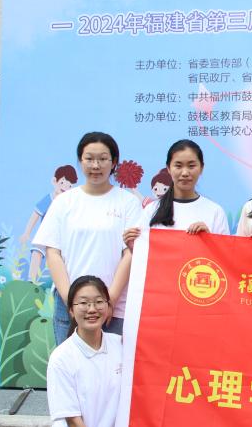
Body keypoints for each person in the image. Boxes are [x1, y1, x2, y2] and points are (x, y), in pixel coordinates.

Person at [34, 132, 142, 344]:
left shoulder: (128, 202)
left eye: (103, 159)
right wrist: (71, 301)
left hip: (114, 305)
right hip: (69, 303)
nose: (96, 165)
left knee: (114, 363)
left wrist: (109, 301)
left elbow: (130, 253)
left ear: (114, 162)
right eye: (89, 159)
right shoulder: (64, 202)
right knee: (71, 361)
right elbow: (53, 252)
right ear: (80, 161)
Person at [43, 275, 122, 427]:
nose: (92, 309)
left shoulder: (121, 345)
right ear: (71, 309)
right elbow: (74, 422)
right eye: (83, 303)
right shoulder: (62, 358)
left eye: (99, 302)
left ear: (108, 307)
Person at [124, 139, 229, 249]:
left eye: (191, 166)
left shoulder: (215, 212)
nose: (185, 173)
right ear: (168, 168)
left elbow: (225, 256)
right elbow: (145, 255)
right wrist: (133, 247)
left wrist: (209, 240)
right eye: (178, 166)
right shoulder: (152, 210)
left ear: (201, 168)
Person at [20, 164, 78, 281]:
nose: (65, 187)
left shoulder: (68, 203)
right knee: (37, 252)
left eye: (69, 186)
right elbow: (35, 215)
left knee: (65, 258)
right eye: (62, 183)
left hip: (61, 237)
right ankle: (31, 280)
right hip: (45, 234)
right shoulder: (49, 199)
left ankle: (63, 282)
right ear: (54, 181)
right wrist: (27, 233)